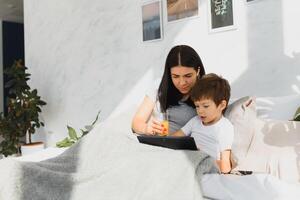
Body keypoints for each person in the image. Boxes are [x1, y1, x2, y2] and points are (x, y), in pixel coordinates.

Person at [131, 45, 206, 135]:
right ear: (169, 73)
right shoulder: (158, 87)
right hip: (161, 143)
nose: (182, 83)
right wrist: (145, 128)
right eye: (175, 76)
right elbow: (137, 122)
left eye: (188, 76)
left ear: (198, 71)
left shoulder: (208, 90)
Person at [171, 73, 234, 174]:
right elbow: (173, 138)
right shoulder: (195, 121)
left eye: (205, 106)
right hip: (187, 159)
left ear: (222, 105)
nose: (200, 111)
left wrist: (205, 159)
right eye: (197, 106)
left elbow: (225, 166)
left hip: (205, 165)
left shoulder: (225, 127)